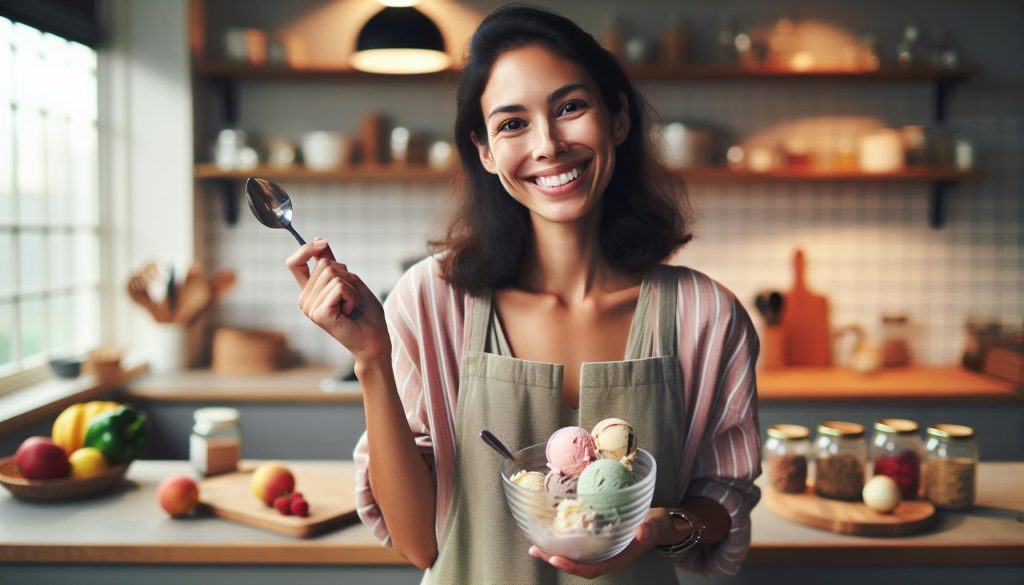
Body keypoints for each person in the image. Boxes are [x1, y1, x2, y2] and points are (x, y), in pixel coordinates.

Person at [286, 5, 761, 584]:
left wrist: (669, 526)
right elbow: (414, 543)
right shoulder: (431, 302)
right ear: (484, 151)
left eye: (569, 107)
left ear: (617, 117)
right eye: (512, 123)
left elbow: (725, 502)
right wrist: (371, 360)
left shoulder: (706, 317)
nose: (549, 144)